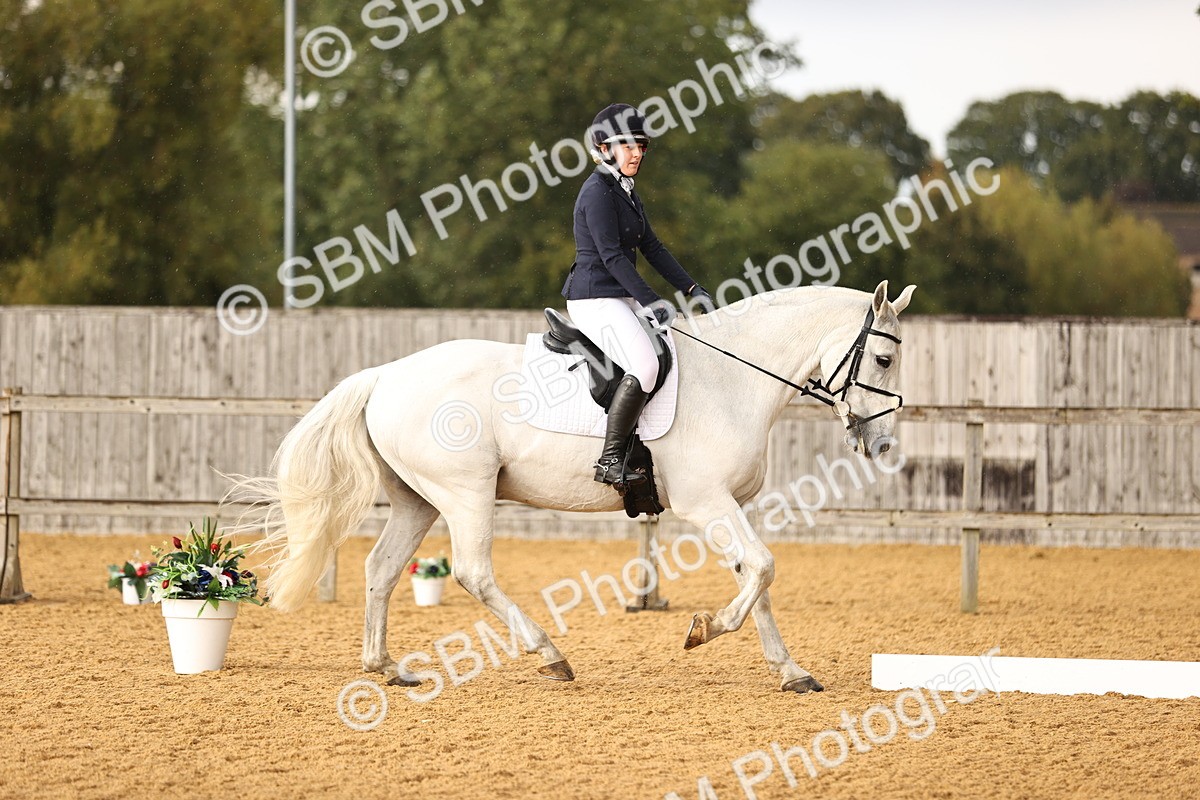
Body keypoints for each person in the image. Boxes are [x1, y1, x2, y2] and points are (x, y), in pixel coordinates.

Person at [561, 103, 714, 486]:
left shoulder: (626, 192)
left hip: (618, 296)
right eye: (626, 146)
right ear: (604, 148)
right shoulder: (597, 192)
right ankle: (610, 459)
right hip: (593, 297)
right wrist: (653, 301)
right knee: (645, 366)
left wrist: (692, 287)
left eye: (640, 146)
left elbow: (653, 248)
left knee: (671, 355)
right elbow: (612, 257)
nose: (635, 153)